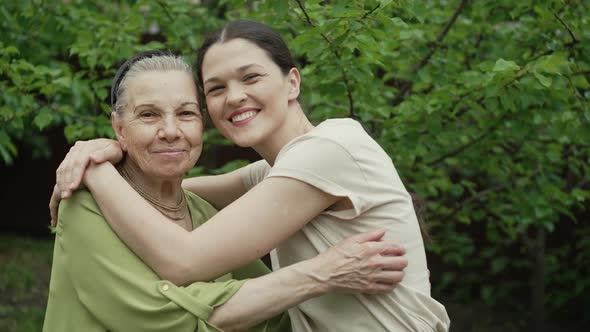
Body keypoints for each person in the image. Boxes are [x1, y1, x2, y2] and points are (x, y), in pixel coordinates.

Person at [51, 20, 450, 331]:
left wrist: (97, 174)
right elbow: (167, 187)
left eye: (251, 77)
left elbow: (184, 260)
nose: (235, 96)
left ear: (292, 82)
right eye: (217, 87)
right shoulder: (277, 173)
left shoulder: (327, 152)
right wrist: (106, 153)